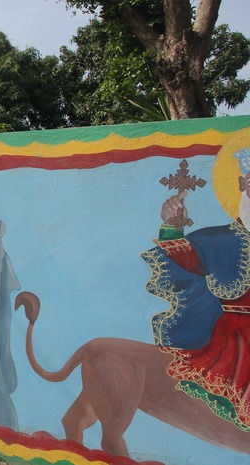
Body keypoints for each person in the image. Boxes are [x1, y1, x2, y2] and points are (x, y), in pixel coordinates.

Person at [142, 152, 250, 431]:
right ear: (242, 183)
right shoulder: (217, 239)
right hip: (236, 338)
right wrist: (172, 227)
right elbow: (184, 263)